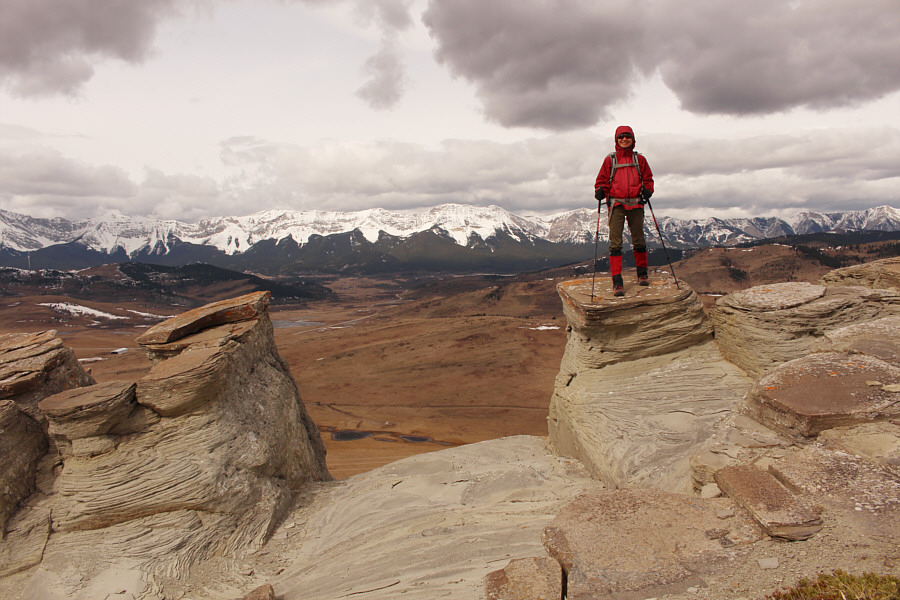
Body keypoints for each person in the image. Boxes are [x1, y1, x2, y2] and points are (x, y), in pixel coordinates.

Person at [593, 125, 654, 297]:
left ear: (633, 139)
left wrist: (648, 190)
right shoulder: (610, 160)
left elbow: (648, 179)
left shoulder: (640, 160)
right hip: (617, 204)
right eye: (621, 137)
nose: (624, 139)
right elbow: (601, 181)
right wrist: (599, 191)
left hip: (636, 203)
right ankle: (617, 283)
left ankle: (642, 274)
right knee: (615, 243)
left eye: (627, 137)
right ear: (616, 140)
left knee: (638, 238)